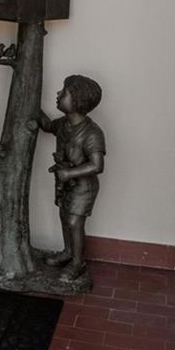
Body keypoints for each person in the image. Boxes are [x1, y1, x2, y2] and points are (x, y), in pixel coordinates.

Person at [35, 74, 106, 280]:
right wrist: (32, 105)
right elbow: (47, 125)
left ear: (77, 100)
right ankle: (68, 251)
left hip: (83, 187)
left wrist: (69, 173)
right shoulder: (63, 124)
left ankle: (77, 263)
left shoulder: (92, 133)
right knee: (64, 216)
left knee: (75, 221)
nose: (58, 94)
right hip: (65, 184)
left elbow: (97, 165)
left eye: (63, 92)